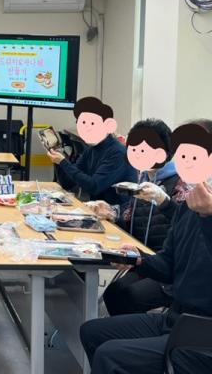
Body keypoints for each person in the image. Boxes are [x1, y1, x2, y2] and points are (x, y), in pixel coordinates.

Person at [79, 123, 212, 374]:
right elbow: (169, 265)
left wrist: (208, 215)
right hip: (175, 318)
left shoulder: (201, 209)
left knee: (111, 355)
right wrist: (138, 259)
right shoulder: (187, 207)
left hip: (202, 333)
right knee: (92, 331)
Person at [93, 119, 187, 315]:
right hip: (145, 256)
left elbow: (186, 224)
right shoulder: (143, 179)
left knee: (130, 297)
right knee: (114, 293)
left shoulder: (181, 183)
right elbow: (132, 215)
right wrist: (112, 212)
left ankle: (142, 331)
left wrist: (163, 200)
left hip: (172, 265)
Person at [49, 96, 136, 205]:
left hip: (116, 212)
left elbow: (94, 186)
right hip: (96, 208)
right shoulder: (91, 149)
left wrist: (63, 162)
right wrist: (58, 161)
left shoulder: (118, 153)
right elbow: (67, 183)